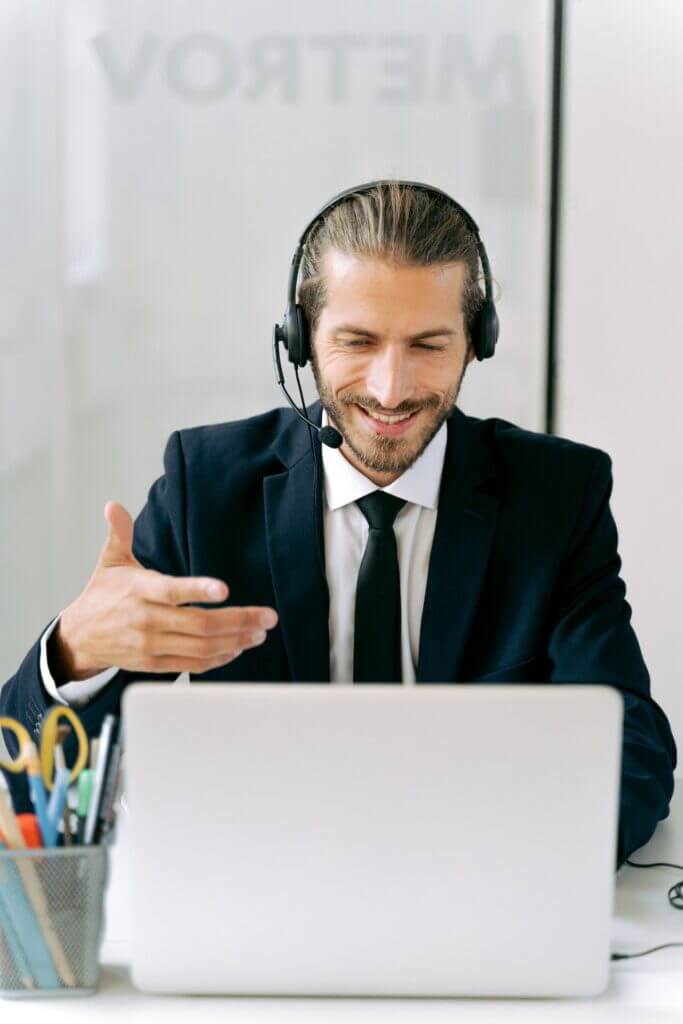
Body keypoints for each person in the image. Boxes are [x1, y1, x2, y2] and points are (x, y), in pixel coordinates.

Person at [0, 180, 676, 869]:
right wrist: (77, 651)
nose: (390, 388)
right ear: (299, 340)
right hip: (263, 887)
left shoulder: (557, 497)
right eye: (356, 342)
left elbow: (633, 757)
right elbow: (33, 785)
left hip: (472, 888)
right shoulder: (206, 488)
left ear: (478, 341)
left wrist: (478, 864)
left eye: (428, 345)